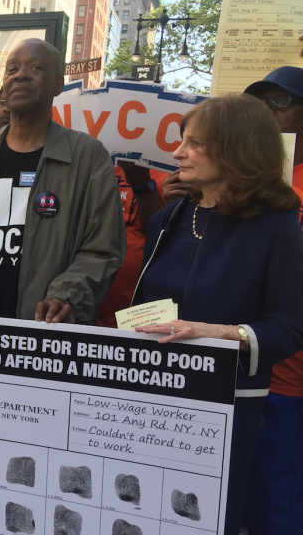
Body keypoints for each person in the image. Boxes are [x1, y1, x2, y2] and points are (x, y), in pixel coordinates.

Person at [131, 94, 303, 535]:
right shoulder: (168, 218)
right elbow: (149, 308)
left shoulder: (278, 223)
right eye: (181, 140)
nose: (177, 153)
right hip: (154, 399)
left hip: (225, 411)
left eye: (195, 143)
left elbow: (289, 327)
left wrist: (223, 334)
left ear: (237, 148)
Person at [0, 38, 125, 326]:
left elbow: (103, 247)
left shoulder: (88, 158)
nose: (20, 75)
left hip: (49, 338)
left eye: (35, 67)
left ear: (58, 84)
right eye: (12, 69)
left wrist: (68, 295)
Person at [242, 66, 303, 535]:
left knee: (278, 504)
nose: (266, 111)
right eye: (258, 101)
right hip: (241, 368)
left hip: (290, 381)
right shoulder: (241, 180)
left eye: (279, 101)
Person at [97, 161, 168, 327]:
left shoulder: (172, 170)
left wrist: (142, 184)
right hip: (85, 309)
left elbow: (163, 236)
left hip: (142, 315)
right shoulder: (92, 163)